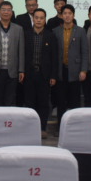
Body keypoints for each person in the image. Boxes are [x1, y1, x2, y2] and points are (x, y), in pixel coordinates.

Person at [53, 4, 88, 131]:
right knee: (61, 101)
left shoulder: (80, 31)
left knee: (75, 101)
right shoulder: (55, 31)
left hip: (75, 70)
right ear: (61, 15)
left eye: (70, 13)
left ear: (73, 15)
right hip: (60, 70)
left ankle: (76, 128)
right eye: (65, 13)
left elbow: (85, 52)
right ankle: (60, 128)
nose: (67, 15)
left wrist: (83, 70)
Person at [23, 8, 57, 138]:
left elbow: (54, 57)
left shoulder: (50, 35)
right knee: (29, 102)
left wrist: (53, 75)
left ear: (45, 20)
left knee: (43, 103)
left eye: (41, 18)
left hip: (44, 74)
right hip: (29, 73)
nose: (38, 20)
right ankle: (30, 128)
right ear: (33, 19)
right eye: (36, 17)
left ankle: (42, 128)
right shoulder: (26, 34)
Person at [0, 1, 24, 106]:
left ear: (12, 12)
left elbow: (21, 50)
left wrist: (21, 70)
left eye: (8, 10)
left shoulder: (18, 29)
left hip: (13, 70)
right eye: (3, 9)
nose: (6, 12)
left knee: (10, 100)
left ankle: (8, 117)